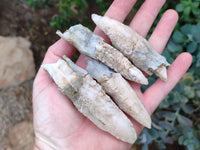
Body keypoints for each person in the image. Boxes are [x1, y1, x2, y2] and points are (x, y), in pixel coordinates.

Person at [32, 0, 192, 149]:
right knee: (110, 80)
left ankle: (152, 64)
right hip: (85, 77)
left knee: (116, 73)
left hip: (99, 67)